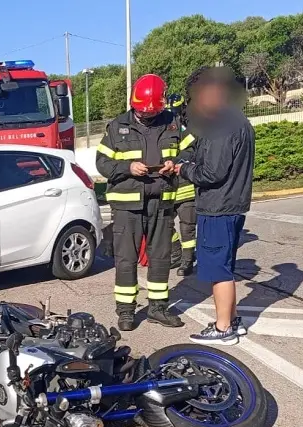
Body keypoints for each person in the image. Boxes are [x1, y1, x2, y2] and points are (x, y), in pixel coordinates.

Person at [96, 73, 184, 331]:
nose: (144, 116)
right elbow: (102, 163)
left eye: (149, 113)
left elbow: (190, 149)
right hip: (127, 205)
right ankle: (125, 312)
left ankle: (158, 308)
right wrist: (127, 167)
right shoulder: (117, 127)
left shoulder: (172, 122)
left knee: (161, 256)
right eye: (140, 112)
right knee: (126, 258)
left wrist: (174, 163)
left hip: (162, 200)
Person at [174, 66, 254, 346]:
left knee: (217, 270)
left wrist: (183, 170)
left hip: (218, 206)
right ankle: (231, 320)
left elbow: (213, 172)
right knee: (226, 267)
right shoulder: (237, 119)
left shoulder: (220, 125)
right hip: (231, 204)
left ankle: (223, 328)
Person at [167, 93, 197, 276]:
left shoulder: (185, 126)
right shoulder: (160, 127)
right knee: (164, 224)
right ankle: (176, 252)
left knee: (187, 226)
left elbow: (190, 151)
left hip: (184, 184)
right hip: (167, 187)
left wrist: (175, 161)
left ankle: (187, 261)